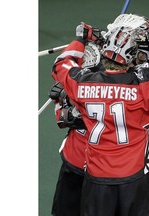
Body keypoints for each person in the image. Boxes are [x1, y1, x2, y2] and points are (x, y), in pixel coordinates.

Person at [51, 18, 149, 216]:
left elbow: (61, 63)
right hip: (133, 177)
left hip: (96, 177)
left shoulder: (82, 84)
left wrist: (82, 39)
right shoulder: (144, 88)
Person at [48, 40, 103, 216]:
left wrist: (79, 40)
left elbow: (61, 64)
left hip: (99, 171)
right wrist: (65, 103)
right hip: (77, 163)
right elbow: (62, 120)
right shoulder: (74, 84)